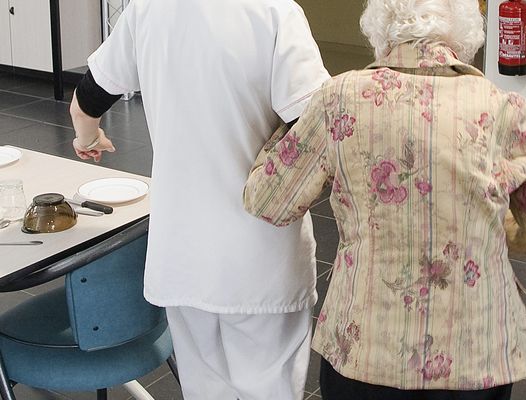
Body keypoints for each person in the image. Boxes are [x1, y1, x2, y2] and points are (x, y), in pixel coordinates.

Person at [243, 0, 526, 399]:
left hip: (364, 354)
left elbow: (267, 201)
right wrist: (507, 223)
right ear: (464, 34)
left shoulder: (337, 99)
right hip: (473, 358)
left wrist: (285, 131)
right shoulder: (499, 108)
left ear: (380, 30)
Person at [68, 1, 330, 399]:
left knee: (204, 388)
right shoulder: (274, 11)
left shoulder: (147, 10)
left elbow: (87, 99)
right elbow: (315, 124)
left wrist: (88, 138)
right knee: (269, 386)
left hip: (182, 256)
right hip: (260, 256)